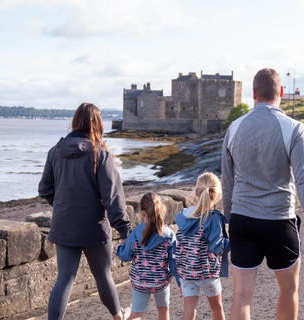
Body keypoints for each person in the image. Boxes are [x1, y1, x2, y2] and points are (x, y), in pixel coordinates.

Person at [221, 68, 304, 320]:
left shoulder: (234, 128)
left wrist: (227, 221)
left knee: (242, 297)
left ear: (253, 93)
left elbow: (227, 181)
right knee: (288, 290)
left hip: (242, 220)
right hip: (279, 220)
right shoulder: (294, 129)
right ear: (281, 92)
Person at [38, 102, 132, 320]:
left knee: (64, 278)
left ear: (75, 121)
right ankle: (118, 317)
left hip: (64, 225)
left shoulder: (55, 152)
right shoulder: (101, 155)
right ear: (97, 124)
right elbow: (113, 198)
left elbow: (45, 189)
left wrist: (64, 206)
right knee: (103, 275)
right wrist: (125, 231)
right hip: (94, 227)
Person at [175, 172, 230, 320]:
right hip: (207, 273)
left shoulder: (184, 216)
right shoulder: (213, 218)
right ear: (218, 196)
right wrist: (230, 243)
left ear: (196, 192)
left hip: (186, 273)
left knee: (189, 313)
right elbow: (216, 247)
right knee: (217, 309)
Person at [117, 192, 178, 320]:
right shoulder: (168, 234)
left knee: (136, 314)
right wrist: (180, 282)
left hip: (140, 281)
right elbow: (174, 261)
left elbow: (125, 256)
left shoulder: (135, 234)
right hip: (161, 281)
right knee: (163, 311)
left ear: (142, 213)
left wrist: (121, 247)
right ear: (161, 210)